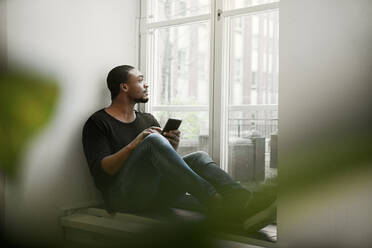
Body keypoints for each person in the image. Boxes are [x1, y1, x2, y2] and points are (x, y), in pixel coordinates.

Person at [82, 65, 276, 232]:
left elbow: (164, 167)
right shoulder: (98, 122)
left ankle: (243, 201)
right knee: (152, 141)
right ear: (124, 87)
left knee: (199, 156)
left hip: (154, 195)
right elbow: (104, 169)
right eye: (140, 80)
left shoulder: (147, 119)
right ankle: (216, 202)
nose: (146, 84)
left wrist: (171, 145)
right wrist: (137, 142)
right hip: (122, 199)